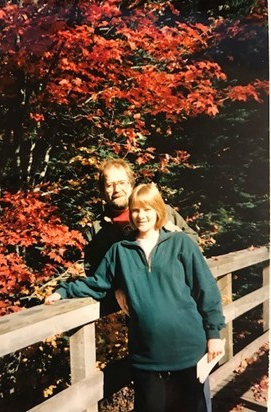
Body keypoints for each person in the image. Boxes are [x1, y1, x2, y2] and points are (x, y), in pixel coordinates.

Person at [45, 183, 225, 412]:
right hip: (147, 356)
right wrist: (63, 291)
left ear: (159, 211)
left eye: (147, 209)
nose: (141, 216)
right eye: (136, 210)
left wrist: (214, 333)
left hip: (188, 352)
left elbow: (206, 289)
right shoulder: (120, 251)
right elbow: (97, 283)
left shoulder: (180, 243)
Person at [83, 158, 199, 314]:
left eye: (122, 182)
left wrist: (177, 235)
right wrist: (116, 288)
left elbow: (194, 240)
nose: (117, 189)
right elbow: (94, 272)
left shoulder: (159, 211)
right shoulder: (97, 230)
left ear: (131, 184)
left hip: (176, 301)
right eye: (110, 185)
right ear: (103, 191)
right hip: (132, 311)